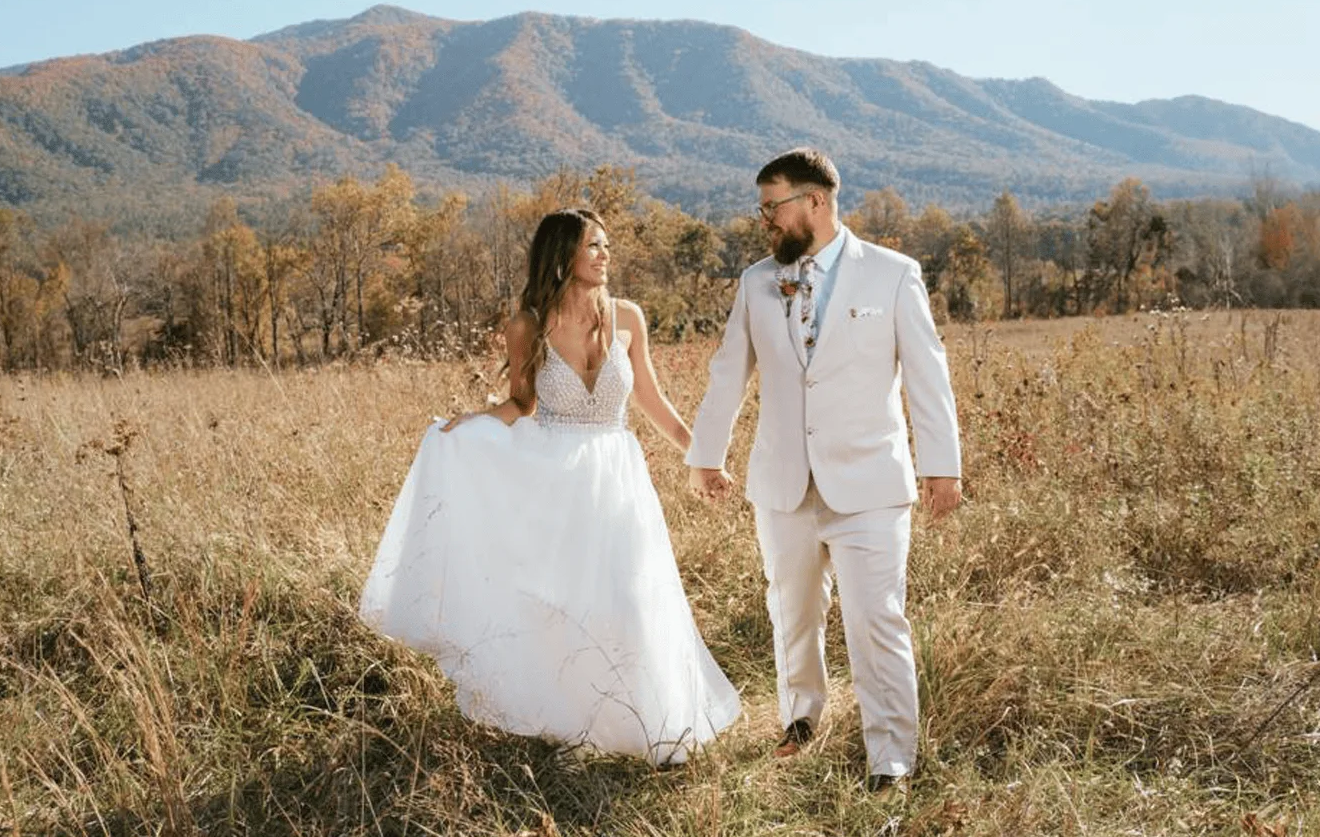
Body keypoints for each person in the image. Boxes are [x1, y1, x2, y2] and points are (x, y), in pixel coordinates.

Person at [360, 207, 741, 766]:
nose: (605, 254)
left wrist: (703, 456)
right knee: (568, 604)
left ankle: (644, 723)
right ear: (562, 255)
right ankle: (576, 726)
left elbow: (651, 402)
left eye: (607, 244)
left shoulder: (629, 318)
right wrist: (472, 421)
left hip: (618, 477)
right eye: (593, 246)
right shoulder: (528, 324)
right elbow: (522, 403)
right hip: (554, 481)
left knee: (631, 595)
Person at [686, 147, 963, 793]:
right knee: (792, 612)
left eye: (772, 208)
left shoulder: (894, 275)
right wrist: (706, 454)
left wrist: (941, 466)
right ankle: (801, 718)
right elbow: (729, 371)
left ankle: (890, 758)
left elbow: (928, 376)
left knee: (877, 619)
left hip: (870, 484)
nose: (765, 224)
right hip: (782, 482)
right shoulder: (757, 282)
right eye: (761, 212)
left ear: (816, 201)